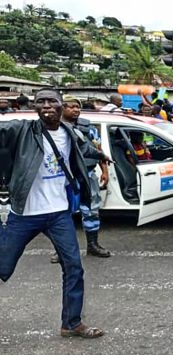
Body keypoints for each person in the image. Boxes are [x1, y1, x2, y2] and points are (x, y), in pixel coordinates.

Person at [0, 88, 111, 338]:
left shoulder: (70, 131)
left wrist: (102, 155)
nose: (46, 105)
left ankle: (71, 323)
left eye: (52, 101)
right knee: (3, 266)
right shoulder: (21, 129)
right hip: (25, 213)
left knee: (74, 267)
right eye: (41, 102)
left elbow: (84, 148)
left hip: (58, 213)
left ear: (61, 106)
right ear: (34, 107)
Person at [57, 96, 111, 260]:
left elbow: (98, 149)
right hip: (63, 178)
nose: (75, 110)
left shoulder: (89, 129)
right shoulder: (54, 129)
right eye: (71, 106)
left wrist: (105, 171)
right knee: (61, 213)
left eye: (78, 107)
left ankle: (93, 245)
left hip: (87, 175)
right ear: (62, 109)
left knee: (91, 210)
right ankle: (61, 250)